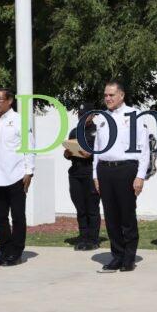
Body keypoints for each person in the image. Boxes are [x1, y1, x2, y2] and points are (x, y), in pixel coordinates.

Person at [92, 81, 150, 273]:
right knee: (110, 216)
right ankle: (116, 255)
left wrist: (140, 176)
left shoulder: (135, 116)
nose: (107, 98)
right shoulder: (101, 118)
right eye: (106, 95)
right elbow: (97, 149)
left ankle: (129, 257)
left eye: (111, 95)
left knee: (126, 214)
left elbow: (144, 148)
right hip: (105, 170)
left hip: (126, 169)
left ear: (122, 95)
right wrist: (95, 174)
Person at [0, 89, 35, 267]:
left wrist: (29, 171)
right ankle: (4, 250)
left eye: (0, 99)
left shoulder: (19, 120)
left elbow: (29, 146)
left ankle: (16, 252)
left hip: (16, 176)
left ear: (10, 101)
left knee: (18, 216)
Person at [65, 102, 101, 251]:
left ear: (92, 116)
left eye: (85, 114)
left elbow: (103, 153)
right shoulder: (74, 132)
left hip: (90, 172)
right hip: (75, 172)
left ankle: (93, 239)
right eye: (80, 114)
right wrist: (67, 153)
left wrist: (91, 154)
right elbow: (70, 152)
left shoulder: (98, 132)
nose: (82, 117)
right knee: (80, 207)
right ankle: (83, 237)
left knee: (91, 207)